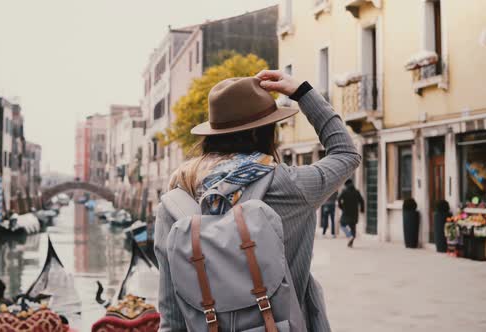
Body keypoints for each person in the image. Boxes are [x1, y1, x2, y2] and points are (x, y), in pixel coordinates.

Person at [154, 71, 361, 331]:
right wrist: (303, 93)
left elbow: (171, 314)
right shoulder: (288, 185)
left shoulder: (174, 201)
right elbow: (345, 152)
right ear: (259, 135)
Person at [337, 179, 364, 248]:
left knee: (342, 224)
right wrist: (362, 209)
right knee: (353, 227)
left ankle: (349, 236)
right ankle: (351, 241)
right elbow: (362, 201)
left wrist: (341, 207)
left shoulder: (344, 191)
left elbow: (339, 199)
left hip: (346, 211)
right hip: (354, 212)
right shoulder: (356, 191)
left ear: (346, 185)